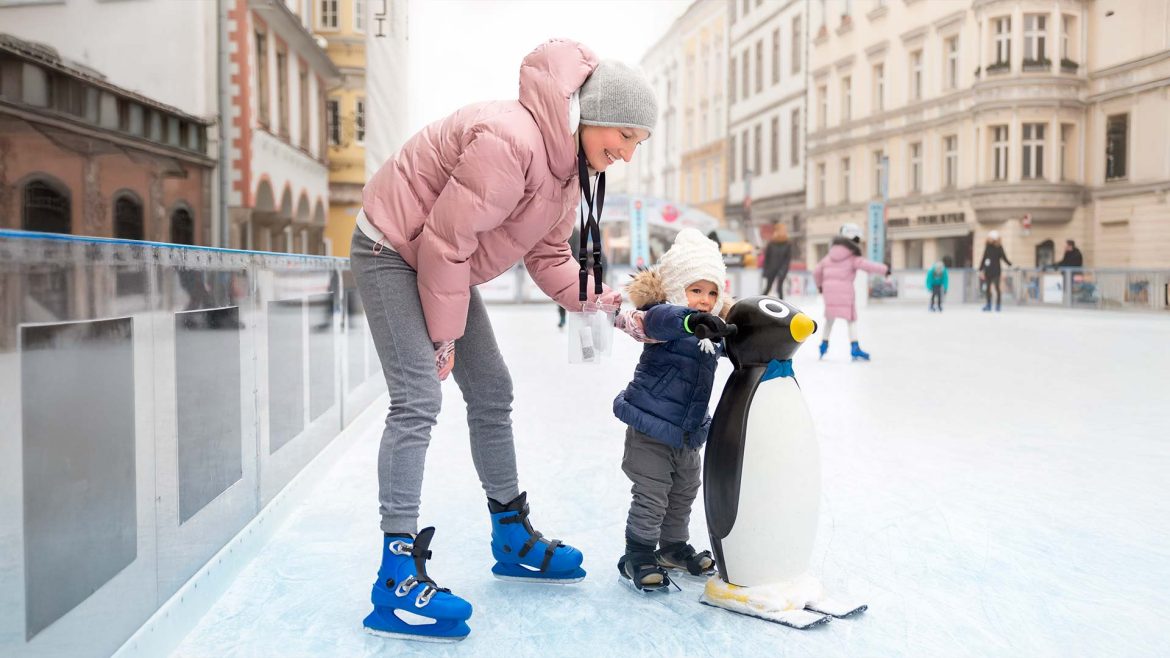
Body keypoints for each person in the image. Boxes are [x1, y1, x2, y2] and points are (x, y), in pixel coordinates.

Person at [350, 40, 656, 642]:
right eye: (624, 135)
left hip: (439, 260)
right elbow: (443, 241)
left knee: (492, 389)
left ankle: (510, 532)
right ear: (593, 114)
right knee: (418, 399)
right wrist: (443, 339)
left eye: (637, 144)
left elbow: (548, 257)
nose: (625, 153)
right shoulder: (510, 140)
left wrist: (609, 306)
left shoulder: (567, 174)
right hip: (392, 247)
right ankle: (394, 574)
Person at [611, 229, 731, 591]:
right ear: (679, 290)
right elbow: (663, 318)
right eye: (696, 291)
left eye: (712, 293)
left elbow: (735, 348)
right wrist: (689, 320)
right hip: (650, 427)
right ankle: (639, 553)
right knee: (652, 492)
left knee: (683, 491)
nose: (705, 301)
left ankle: (673, 547)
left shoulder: (711, 333)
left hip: (687, 432)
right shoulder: (663, 319)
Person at [813, 223, 889, 361]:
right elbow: (868, 266)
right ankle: (855, 347)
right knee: (851, 320)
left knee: (829, 320)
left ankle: (823, 346)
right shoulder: (853, 257)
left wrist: (820, 286)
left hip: (829, 293)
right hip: (845, 293)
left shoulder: (828, 256)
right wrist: (885, 269)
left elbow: (817, 271)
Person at [978, 230, 1012, 311]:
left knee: (997, 288)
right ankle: (988, 305)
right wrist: (980, 269)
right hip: (988, 271)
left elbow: (1004, 257)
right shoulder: (987, 247)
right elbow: (984, 258)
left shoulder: (999, 247)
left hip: (996, 271)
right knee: (987, 289)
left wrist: (1011, 264)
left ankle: (998, 305)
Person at [761, 222, 792, 298]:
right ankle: (758, 304)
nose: (782, 232)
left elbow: (787, 259)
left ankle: (782, 306)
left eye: (784, 230)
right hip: (771, 269)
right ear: (776, 231)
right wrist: (765, 270)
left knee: (780, 289)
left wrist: (783, 270)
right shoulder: (771, 243)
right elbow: (767, 258)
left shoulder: (788, 243)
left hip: (782, 269)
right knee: (767, 288)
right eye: (781, 230)